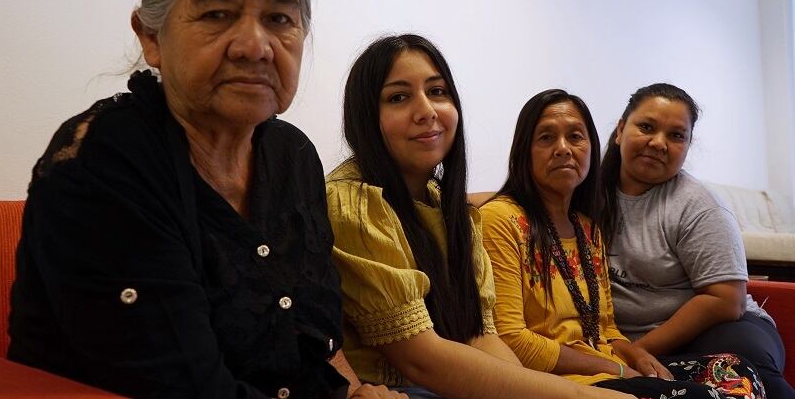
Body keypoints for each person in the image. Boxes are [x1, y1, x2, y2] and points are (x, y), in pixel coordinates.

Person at [8, 0, 403, 399]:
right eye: (217, 14)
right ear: (151, 36)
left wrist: (356, 390)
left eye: (280, 19)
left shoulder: (292, 155)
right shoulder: (104, 166)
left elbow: (311, 339)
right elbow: (186, 387)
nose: (255, 47)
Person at [326, 34, 635, 399]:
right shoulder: (354, 201)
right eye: (398, 97)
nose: (427, 111)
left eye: (438, 92)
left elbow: (481, 334)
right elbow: (420, 358)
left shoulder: (452, 209)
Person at [480, 89, 765, 399]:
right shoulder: (501, 221)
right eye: (546, 138)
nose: (563, 149)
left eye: (575, 137)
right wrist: (615, 367)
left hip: (612, 365)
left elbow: (605, 329)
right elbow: (511, 339)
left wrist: (635, 354)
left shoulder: (588, 227)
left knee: (738, 371)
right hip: (571, 380)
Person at [598, 82, 793, 399]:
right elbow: (527, 199)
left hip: (717, 328)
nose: (658, 143)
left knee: (745, 367)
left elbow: (727, 300)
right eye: (646, 127)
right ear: (620, 130)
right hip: (623, 339)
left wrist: (638, 350)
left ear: (688, 146)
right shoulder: (585, 191)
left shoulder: (698, 205)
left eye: (676, 136)